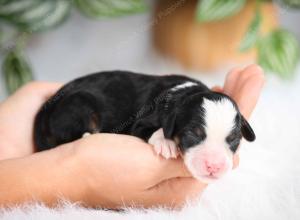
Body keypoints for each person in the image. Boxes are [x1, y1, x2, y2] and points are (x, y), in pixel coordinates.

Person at [0, 64, 264, 209]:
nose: (215, 161)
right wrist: (75, 170)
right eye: (196, 135)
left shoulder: (187, 108)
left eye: (231, 141)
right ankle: (71, 139)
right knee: (82, 108)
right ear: (172, 122)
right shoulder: (167, 108)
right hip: (70, 111)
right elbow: (141, 126)